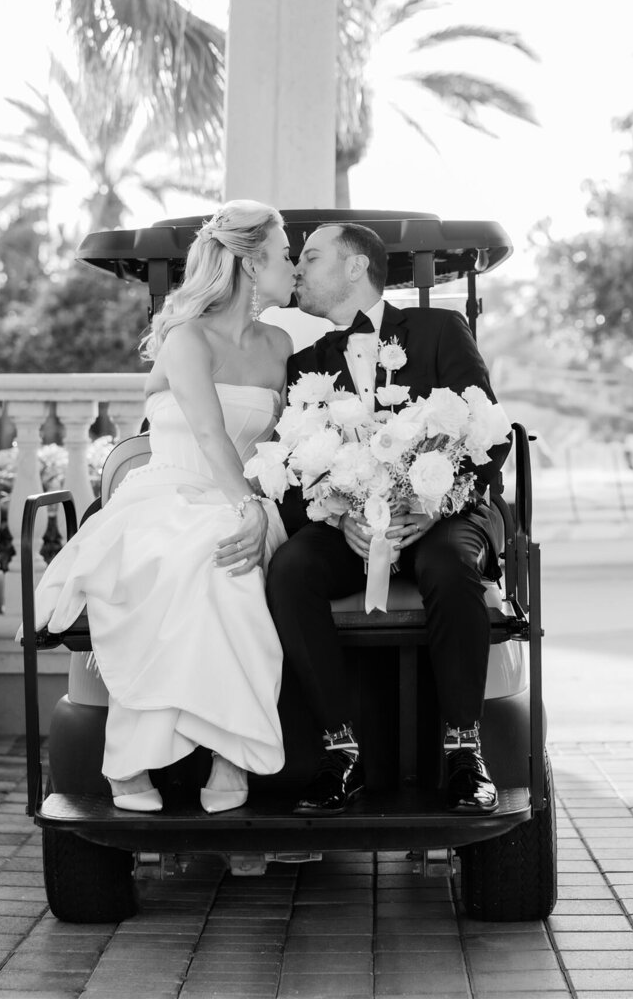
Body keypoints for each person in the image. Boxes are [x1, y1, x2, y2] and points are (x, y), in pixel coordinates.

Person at [31, 201, 296, 813]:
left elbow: (290, 436)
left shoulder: (280, 344)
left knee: (233, 572)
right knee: (196, 561)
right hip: (171, 492)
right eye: (285, 254)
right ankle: (130, 759)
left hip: (240, 497)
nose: (293, 266)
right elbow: (207, 433)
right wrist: (250, 508)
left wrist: (267, 502)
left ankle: (231, 757)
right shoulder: (186, 338)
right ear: (252, 264)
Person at [266, 222, 511, 816]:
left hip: (439, 513)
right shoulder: (307, 364)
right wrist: (335, 515)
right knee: (291, 570)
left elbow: (489, 436)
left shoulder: (438, 330)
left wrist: (431, 502)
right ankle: (339, 748)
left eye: (312, 256)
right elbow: (292, 472)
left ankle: (462, 747)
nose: (298, 268)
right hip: (350, 527)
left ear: (355, 267)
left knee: (453, 566)